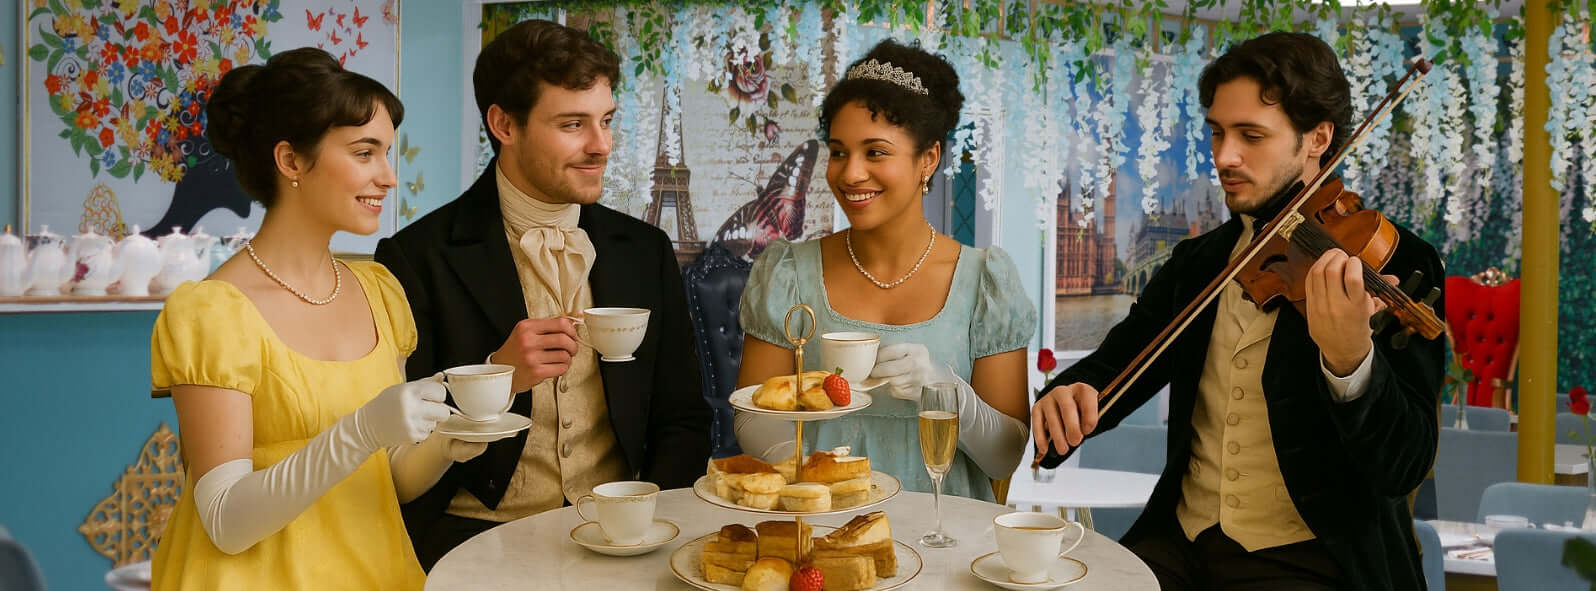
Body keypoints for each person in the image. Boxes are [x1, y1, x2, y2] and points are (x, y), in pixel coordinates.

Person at [1030, 32, 1446, 590]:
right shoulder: (1198, 263)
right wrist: (1066, 396)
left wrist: (1351, 363)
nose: (1225, 156)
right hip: (1181, 544)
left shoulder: (1400, 260)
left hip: (1316, 561)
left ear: (1317, 138)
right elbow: (1110, 370)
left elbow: (1404, 464)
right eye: (1218, 134)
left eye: (1252, 136)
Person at [375, 19, 710, 569]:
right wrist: (495, 374)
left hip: (625, 539)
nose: (601, 145)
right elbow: (397, 438)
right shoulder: (417, 257)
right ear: (505, 124)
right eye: (573, 124)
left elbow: (683, 418)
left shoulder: (644, 249)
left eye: (606, 120)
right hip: (470, 540)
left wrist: (651, 520)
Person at [149, 48, 484, 590]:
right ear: (291, 162)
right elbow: (226, 520)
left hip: (369, 569)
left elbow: (390, 476)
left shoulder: (378, 293)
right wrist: (362, 429)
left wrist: (447, 445)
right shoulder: (212, 313)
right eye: (364, 152)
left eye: (387, 154)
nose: (388, 177)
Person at [734, 39, 1034, 502]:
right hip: (820, 531)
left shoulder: (985, 282)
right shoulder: (788, 273)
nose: (850, 173)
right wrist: (809, 481)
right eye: (838, 152)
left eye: (875, 152)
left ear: (927, 160)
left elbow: (1004, 458)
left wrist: (946, 390)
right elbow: (752, 415)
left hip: (947, 541)